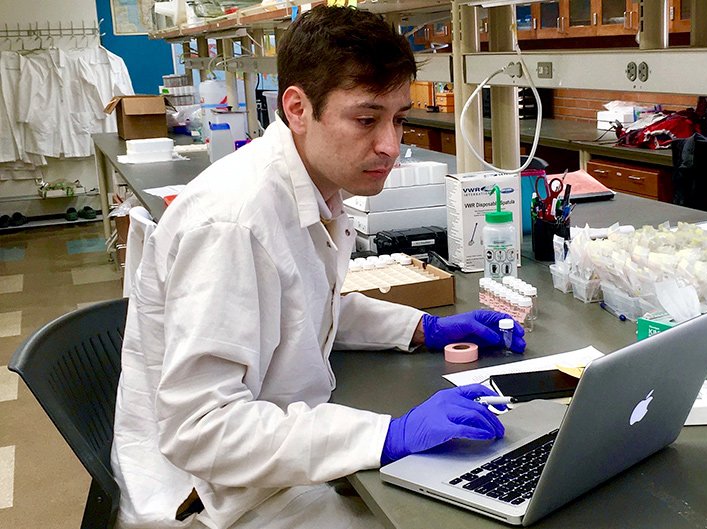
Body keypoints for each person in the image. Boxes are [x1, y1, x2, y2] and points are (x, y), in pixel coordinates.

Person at [110, 7, 525, 528]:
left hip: (274, 453)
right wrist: (385, 435)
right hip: (213, 497)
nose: (390, 146)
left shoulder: (314, 185)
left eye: (399, 119)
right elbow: (201, 428)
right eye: (366, 119)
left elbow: (304, 303)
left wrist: (423, 327)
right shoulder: (234, 223)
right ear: (298, 108)